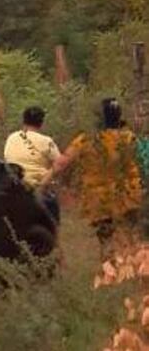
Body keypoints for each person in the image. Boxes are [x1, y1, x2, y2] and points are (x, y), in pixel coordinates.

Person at [48, 98, 142, 251]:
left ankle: (110, 269)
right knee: (131, 242)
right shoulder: (129, 138)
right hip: (128, 198)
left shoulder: (86, 140)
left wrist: (41, 182)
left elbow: (61, 163)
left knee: (107, 245)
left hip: (100, 203)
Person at [4, 106, 61, 221]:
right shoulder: (46, 141)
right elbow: (59, 164)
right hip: (36, 190)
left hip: (15, 189)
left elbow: (7, 159)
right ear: (41, 122)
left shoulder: (12, 138)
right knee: (52, 209)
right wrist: (43, 184)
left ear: (23, 120)